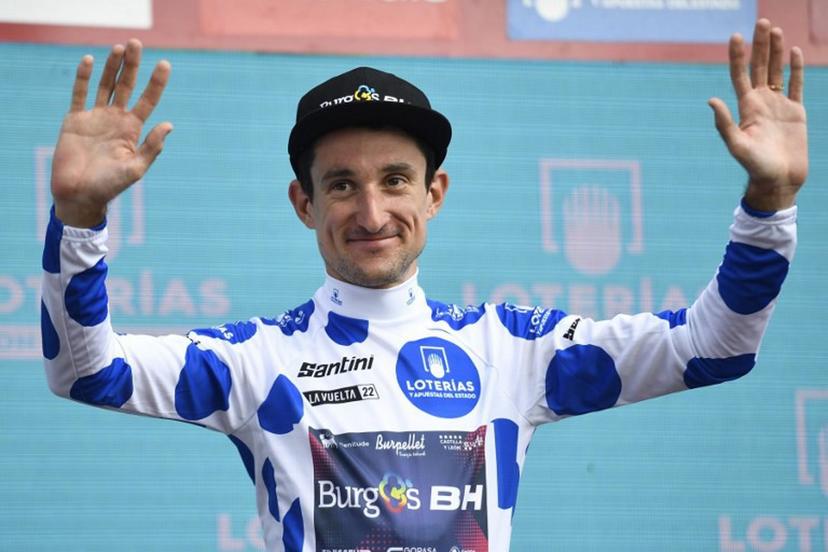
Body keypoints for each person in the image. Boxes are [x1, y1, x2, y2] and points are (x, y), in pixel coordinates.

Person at [41, 18, 807, 551]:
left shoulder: (509, 350)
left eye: (395, 180)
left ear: (433, 193)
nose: (371, 211)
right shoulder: (256, 359)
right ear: (303, 204)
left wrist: (769, 206)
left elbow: (716, 347)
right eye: (340, 185)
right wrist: (79, 217)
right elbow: (88, 372)